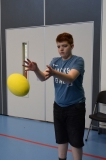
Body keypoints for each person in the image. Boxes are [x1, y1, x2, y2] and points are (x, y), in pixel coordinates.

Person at [23, 32, 86, 160]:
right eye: (58, 46)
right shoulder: (54, 61)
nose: (61, 49)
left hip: (75, 107)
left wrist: (54, 73)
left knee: (75, 141)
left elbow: (70, 78)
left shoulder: (78, 60)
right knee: (61, 139)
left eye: (64, 46)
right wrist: (36, 69)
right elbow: (43, 77)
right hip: (58, 107)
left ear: (72, 46)